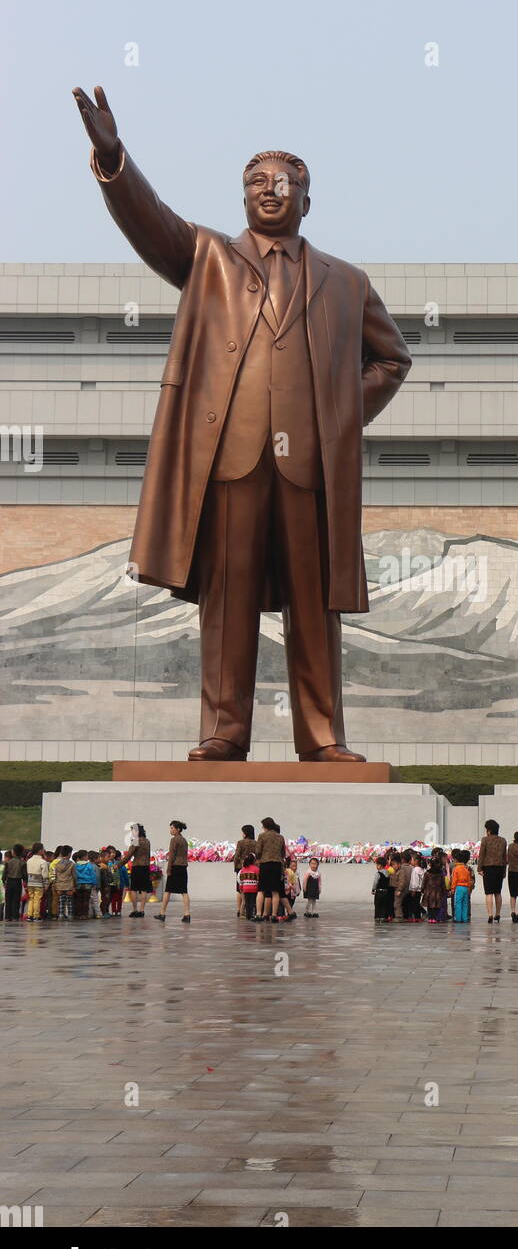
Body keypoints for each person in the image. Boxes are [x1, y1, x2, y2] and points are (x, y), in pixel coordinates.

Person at [73, 86, 411, 766]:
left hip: (309, 465)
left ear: (306, 201)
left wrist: (339, 418)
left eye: (284, 182)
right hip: (229, 459)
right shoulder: (206, 260)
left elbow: (393, 358)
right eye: (256, 181)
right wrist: (113, 157)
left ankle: (321, 736)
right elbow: (150, 221)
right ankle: (225, 730)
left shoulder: (346, 282)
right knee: (225, 604)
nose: (269, 190)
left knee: (316, 606)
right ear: (243, 197)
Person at [156, 819, 191, 924]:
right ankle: (187, 914)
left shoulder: (174, 840)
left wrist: (168, 869)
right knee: (184, 892)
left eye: (172, 828)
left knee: (168, 890)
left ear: (178, 829)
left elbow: (172, 856)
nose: (170, 830)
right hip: (183, 868)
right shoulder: (184, 840)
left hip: (175, 867)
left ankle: (162, 913)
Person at [254, 817, 286, 922]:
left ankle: (258, 914)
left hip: (265, 864)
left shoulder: (262, 836)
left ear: (266, 826)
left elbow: (258, 851)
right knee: (275, 891)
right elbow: (283, 853)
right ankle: (273, 915)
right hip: (277, 865)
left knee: (261, 890)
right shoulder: (281, 837)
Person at [477, 818, 507, 924]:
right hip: (499, 868)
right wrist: (504, 872)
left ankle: (490, 915)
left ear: (489, 830)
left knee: (488, 893)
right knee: (498, 892)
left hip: (488, 868)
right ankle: (497, 914)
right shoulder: (503, 840)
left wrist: (479, 868)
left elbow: (481, 855)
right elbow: (504, 858)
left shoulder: (485, 840)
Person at [121, 824, 152, 918]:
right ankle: (142, 910)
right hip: (146, 867)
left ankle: (135, 910)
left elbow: (129, 855)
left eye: (133, 831)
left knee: (134, 888)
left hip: (137, 867)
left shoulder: (135, 841)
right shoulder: (147, 841)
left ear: (137, 831)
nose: (132, 833)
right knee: (143, 889)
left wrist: (118, 865)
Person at [234, 825, 257, 917]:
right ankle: (253, 909)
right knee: (253, 889)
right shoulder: (256, 843)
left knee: (240, 889)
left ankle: (240, 910)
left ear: (245, 833)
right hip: (253, 869)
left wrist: (236, 868)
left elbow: (237, 856)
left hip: (241, 868)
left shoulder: (240, 842)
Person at [25, 845, 50, 921]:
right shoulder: (43, 862)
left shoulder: (29, 861)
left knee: (31, 899)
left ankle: (29, 915)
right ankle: (36, 916)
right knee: (37, 900)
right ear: (39, 851)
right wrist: (46, 885)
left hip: (30, 883)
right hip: (39, 884)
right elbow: (45, 875)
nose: (43, 851)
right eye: (43, 849)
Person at [421, 853, 447, 923]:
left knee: (429, 906)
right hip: (438, 892)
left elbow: (424, 882)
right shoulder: (441, 873)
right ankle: (435, 918)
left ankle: (430, 918)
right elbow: (443, 884)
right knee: (437, 906)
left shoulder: (427, 873)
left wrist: (422, 889)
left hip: (429, 891)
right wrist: (444, 891)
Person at [4, 846, 27, 922]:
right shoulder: (22, 862)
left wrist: (4, 881)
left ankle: (7, 916)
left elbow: (5, 873)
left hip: (9, 882)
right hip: (17, 882)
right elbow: (24, 874)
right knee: (16, 900)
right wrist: (25, 882)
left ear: (14, 852)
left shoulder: (9, 862)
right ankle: (15, 916)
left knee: (8, 900)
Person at [450, 850, 474, 923]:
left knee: (458, 903)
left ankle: (458, 918)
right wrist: (469, 888)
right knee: (465, 903)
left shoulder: (456, 869)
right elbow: (469, 880)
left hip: (458, 887)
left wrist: (453, 888)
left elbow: (454, 880)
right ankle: (465, 918)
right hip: (466, 888)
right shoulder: (466, 869)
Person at [54, 848, 76, 920]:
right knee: (69, 902)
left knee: (61, 901)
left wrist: (56, 885)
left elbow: (56, 876)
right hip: (69, 885)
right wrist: (74, 885)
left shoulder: (57, 864)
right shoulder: (72, 864)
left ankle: (60, 915)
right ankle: (70, 916)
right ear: (69, 854)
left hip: (60, 885)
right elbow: (74, 876)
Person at [390, 851, 411, 922]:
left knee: (397, 904)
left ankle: (399, 917)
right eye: (392, 865)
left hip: (400, 890)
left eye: (394, 864)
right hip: (396, 889)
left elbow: (402, 882)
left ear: (399, 864)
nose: (393, 866)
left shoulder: (401, 871)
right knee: (397, 903)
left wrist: (399, 890)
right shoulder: (396, 871)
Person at [239, 855, 259, 920]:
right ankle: (253, 915)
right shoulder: (256, 869)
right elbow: (258, 880)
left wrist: (241, 889)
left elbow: (241, 881)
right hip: (254, 888)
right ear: (254, 861)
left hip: (245, 889)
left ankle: (248, 916)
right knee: (253, 903)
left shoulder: (243, 869)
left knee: (247, 903)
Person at [407, 853, 425, 922]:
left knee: (414, 904)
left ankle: (416, 917)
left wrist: (413, 890)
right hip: (419, 890)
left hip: (416, 890)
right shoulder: (421, 869)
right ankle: (418, 917)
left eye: (411, 860)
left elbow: (415, 881)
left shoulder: (416, 870)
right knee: (417, 904)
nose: (410, 861)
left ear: (416, 861)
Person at [372, 856, 392, 923]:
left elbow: (375, 882)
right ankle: (383, 917)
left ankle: (377, 917)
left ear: (379, 865)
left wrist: (373, 889)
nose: (376, 866)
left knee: (377, 905)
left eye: (376, 864)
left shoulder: (378, 874)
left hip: (379, 892)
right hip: (386, 892)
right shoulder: (388, 873)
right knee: (384, 905)